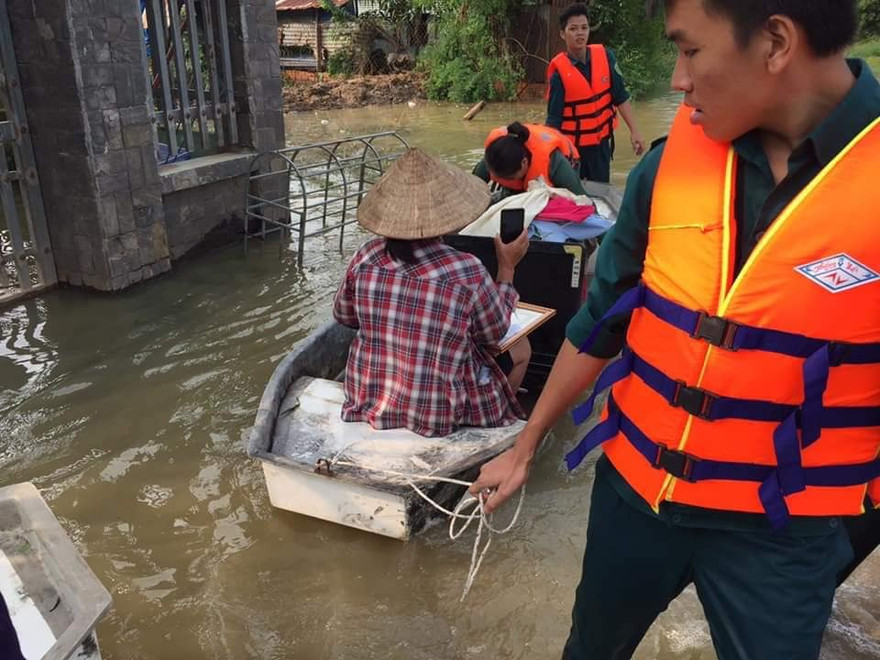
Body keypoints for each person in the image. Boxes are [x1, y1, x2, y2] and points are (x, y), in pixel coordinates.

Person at [471, 0, 880, 658]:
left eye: (690, 51)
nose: (679, 80)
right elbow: (599, 324)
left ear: (775, 42)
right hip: (636, 496)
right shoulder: (668, 169)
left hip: (783, 530)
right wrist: (526, 444)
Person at [333, 148, 532, 438]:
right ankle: (503, 426)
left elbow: (344, 315)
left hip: (367, 398)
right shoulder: (466, 270)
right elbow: (495, 332)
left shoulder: (365, 256)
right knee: (522, 351)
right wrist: (507, 267)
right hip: (438, 414)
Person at [546, 3, 646, 183]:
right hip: (572, 150)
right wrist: (551, 155)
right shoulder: (559, 74)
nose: (580, 33)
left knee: (601, 190)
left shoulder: (606, 57)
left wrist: (635, 131)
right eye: (573, 29)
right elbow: (553, 122)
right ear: (563, 34)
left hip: (600, 147)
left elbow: (621, 96)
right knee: (576, 197)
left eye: (584, 28)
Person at [473, 122, 588, 197]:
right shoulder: (495, 156)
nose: (505, 180)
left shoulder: (555, 162)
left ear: (524, 163)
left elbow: (582, 200)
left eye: (509, 178)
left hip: (565, 160)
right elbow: (470, 189)